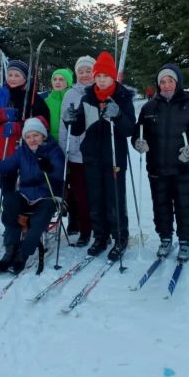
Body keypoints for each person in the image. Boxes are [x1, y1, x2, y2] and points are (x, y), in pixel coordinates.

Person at [63, 51, 136, 261]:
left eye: (105, 76)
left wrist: (119, 115)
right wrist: (70, 120)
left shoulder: (122, 97)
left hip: (114, 157)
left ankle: (120, 237)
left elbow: (129, 129)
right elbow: (77, 129)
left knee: (114, 199)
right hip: (92, 157)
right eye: (98, 76)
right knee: (95, 199)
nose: (101, 79)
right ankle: (100, 237)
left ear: (113, 76)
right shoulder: (87, 97)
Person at [132, 64, 189, 262]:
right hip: (157, 167)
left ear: (178, 83)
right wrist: (138, 143)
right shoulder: (149, 108)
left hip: (183, 167)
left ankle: (185, 240)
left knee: (184, 205)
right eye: (162, 82)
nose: (166, 85)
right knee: (161, 205)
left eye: (170, 81)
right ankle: (165, 237)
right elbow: (138, 133)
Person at [0, 117, 64, 274]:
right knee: (10, 202)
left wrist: (48, 167)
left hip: (47, 195)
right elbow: (6, 166)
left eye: (35, 135)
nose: (32, 139)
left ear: (43, 135)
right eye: (28, 136)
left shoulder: (54, 151)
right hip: (26, 194)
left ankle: (23, 254)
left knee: (39, 219)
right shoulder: (22, 151)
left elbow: (59, 172)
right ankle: (9, 252)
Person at [0, 60, 50, 194]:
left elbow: (43, 122)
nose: (13, 78)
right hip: (1, 152)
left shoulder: (33, 97)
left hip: (27, 152)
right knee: (8, 193)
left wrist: (20, 127)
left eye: (17, 75)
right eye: (10, 75)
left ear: (25, 78)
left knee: (27, 193)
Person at [58, 55, 95, 247]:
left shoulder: (101, 91)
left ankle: (101, 227)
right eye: (81, 71)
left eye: (88, 71)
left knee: (97, 193)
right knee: (80, 195)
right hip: (76, 154)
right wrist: (64, 149)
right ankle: (84, 230)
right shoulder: (70, 94)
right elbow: (63, 126)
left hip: (97, 153)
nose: (85, 74)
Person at [42, 68, 74, 141]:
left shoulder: (73, 100)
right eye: (55, 79)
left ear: (68, 82)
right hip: (51, 142)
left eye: (61, 79)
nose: (57, 82)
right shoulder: (46, 101)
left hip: (70, 141)